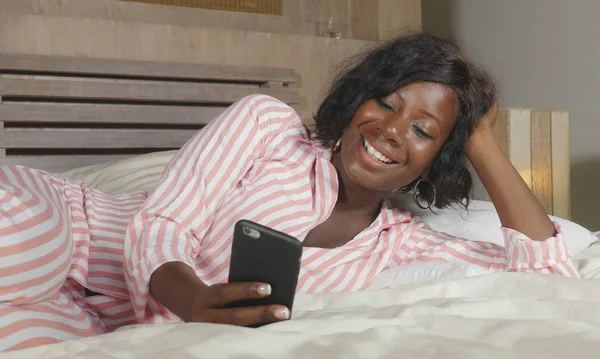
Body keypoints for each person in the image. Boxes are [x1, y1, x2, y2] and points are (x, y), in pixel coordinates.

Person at [0, 32, 579, 352]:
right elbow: (161, 225)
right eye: (385, 102)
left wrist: (476, 132)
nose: (390, 132)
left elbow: (548, 280)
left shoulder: (401, 246)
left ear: (436, 162)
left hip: (104, 326)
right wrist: (195, 303)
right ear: (358, 100)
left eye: (424, 132)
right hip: (73, 231)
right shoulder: (268, 127)